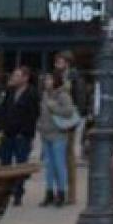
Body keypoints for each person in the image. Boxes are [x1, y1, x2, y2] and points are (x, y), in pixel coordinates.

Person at [0, 64, 38, 204]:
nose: (14, 78)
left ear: (25, 78)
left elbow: (33, 116)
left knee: (21, 164)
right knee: (5, 164)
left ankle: (18, 193)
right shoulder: (9, 92)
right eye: (14, 75)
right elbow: (3, 110)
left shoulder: (32, 93)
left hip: (22, 135)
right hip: (8, 133)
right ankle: (5, 192)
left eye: (17, 76)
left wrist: (28, 134)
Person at [38, 72, 78, 206]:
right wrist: (40, 125)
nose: (46, 81)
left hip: (58, 134)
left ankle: (61, 192)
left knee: (59, 164)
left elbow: (69, 111)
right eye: (46, 79)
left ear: (55, 80)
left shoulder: (63, 95)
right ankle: (49, 192)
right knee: (49, 165)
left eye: (49, 79)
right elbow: (42, 113)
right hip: (45, 133)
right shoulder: (44, 95)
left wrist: (54, 107)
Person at [53, 50, 88, 185]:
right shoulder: (56, 77)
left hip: (69, 117)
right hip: (57, 117)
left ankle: (70, 190)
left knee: (69, 154)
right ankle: (61, 187)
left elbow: (80, 97)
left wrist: (77, 116)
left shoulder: (74, 78)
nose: (56, 65)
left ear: (67, 63)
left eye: (59, 62)